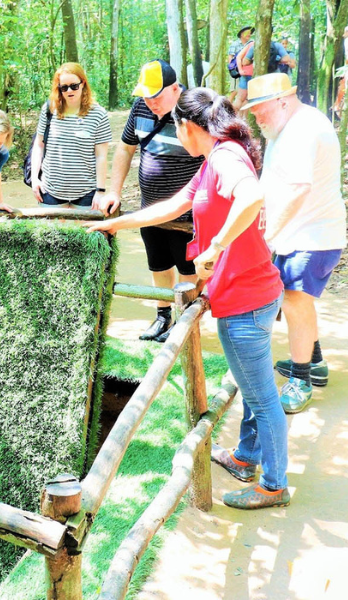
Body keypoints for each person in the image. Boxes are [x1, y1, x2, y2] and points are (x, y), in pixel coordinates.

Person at [86, 88, 288, 510]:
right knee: (254, 389)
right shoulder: (214, 159)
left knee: (262, 398)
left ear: (188, 127)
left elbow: (251, 197)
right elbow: (172, 206)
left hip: (245, 298)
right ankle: (246, 458)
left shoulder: (225, 157)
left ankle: (273, 485)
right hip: (249, 292)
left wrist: (214, 247)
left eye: (177, 129)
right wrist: (118, 223)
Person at [244, 73, 346, 413]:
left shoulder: (303, 129)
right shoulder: (284, 127)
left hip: (312, 236)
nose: (256, 120)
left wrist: (269, 235)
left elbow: (299, 189)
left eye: (260, 111)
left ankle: (301, 380)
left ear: (282, 101)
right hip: (299, 234)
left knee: (293, 301)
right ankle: (314, 362)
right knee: (298, 302)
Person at [97, 60, 203, 342]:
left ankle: (186, 320)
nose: (150, 102)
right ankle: (163, 316)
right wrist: (114, 191)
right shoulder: (141, 109)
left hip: (189, 214)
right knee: (158, 264)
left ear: (175, 89)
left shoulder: (194, 111)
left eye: (155, 96)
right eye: (145, 95)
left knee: (188, 269)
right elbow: (125, 149)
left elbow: (212, 159)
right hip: (150, 211)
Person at [30, 62, 111, 207]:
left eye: (74, 86)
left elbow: (101, 156)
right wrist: (35, 179)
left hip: (87, 191)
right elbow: (39, 145)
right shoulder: (49, 110)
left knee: (84, 230)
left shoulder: (98, 114)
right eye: (64, 87)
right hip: (50, 189)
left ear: (83, 84)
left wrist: (100, 190)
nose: (69, 91)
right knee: (52, 230)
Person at [228, 26, 254, 106]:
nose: (249, 34)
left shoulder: (251, 43)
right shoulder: (235, 44)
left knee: (244, 94)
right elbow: (230, 57)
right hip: (237, 71)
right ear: (241, 34)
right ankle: (226, 109)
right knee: (234, 91)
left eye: (250, 33)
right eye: (247, 32)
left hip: (246, 71)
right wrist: (234, 71)